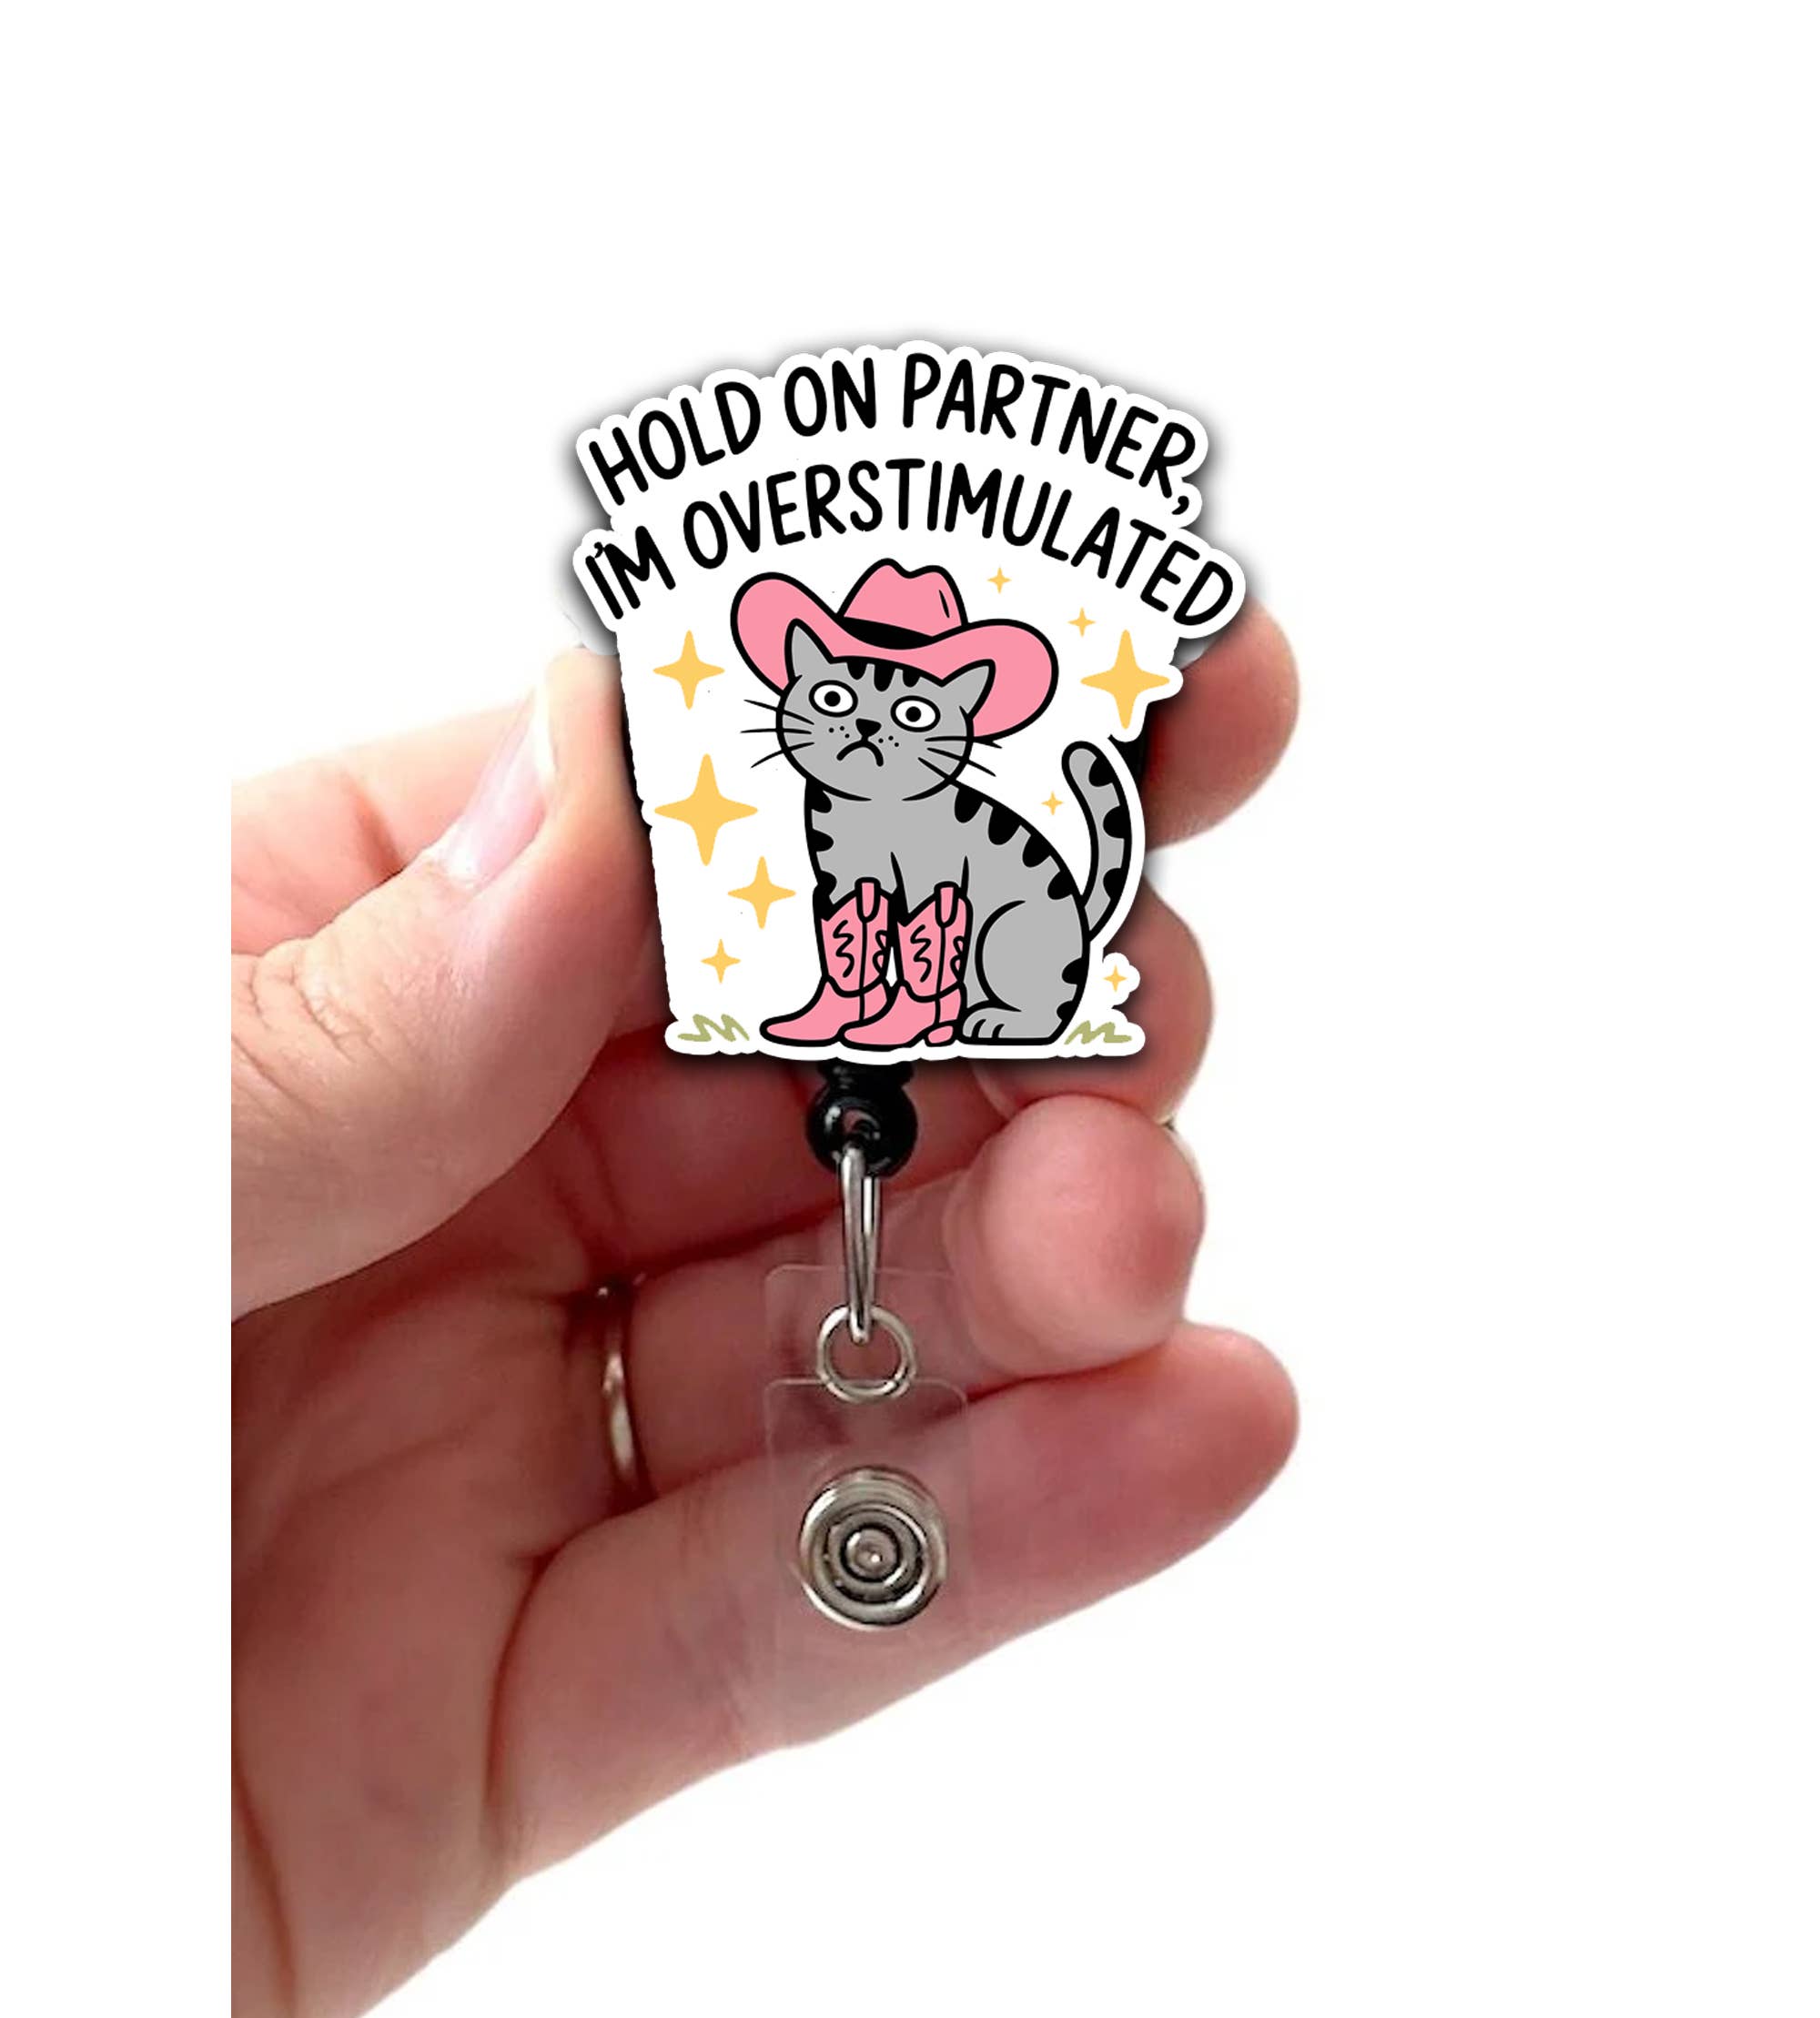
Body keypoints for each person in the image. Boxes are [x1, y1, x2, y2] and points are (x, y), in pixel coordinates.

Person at [231, 610, 1300, 2016]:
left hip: (993, 965)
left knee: (1081, 1220)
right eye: (835, 711)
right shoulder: (804, 837)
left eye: (909, 721)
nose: (863, 741)